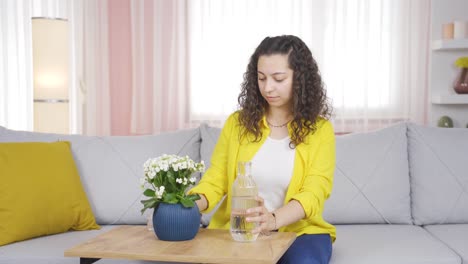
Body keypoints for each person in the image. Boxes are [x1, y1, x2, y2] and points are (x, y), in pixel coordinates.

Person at [189, 35, 335, 264]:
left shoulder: (320, 130)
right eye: (261, 78)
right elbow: (216, 180)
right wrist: (181, 208)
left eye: (278, 79)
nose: (268, 88)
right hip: (241, 230)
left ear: (300, 79)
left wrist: (273, 220)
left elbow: (314, 192)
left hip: (300, 232)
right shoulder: (237, 124)